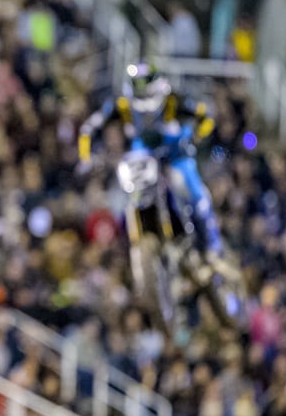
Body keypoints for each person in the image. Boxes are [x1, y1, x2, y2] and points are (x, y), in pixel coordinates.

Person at [79, 62, 225, 267]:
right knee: (130, 196)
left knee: (195, 193)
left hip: (175, 156)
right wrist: (87, 157)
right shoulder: (122, 104)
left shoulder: (173, 99)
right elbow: (90, 127)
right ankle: (137, 248)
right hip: (142, 159)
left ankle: (211, 246)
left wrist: (197, 135)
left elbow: (205, 114)